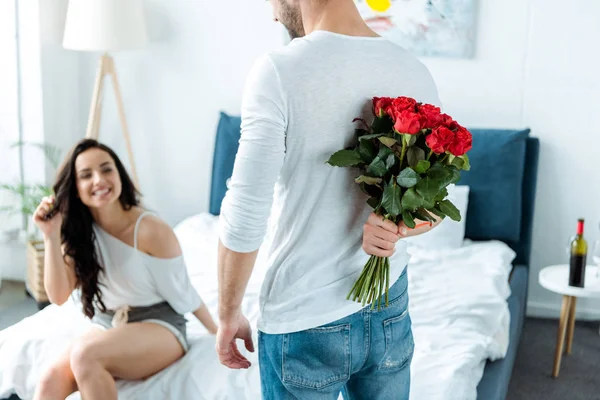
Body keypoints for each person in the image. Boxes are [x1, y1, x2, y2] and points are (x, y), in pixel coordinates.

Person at [215, 0, 442, 399]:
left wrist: (228, 314)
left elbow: (246, 212)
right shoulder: (412, 69)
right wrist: (397, 230)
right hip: (388, 305)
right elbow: (437, 199)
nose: (271, 13)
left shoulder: (278, 71)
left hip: (304, 313)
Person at [31, 138, 218, 400]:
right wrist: (50, 236)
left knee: (86, 355)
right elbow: (58, 296)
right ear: (75, 188)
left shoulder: (151, 230)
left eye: (107, 169)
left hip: (160, 325)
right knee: (49, 381)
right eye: (86, 175)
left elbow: (184, 293)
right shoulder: (79, 234)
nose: (99, 179)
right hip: (108, 324)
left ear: (119, 174)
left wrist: (219, 333)